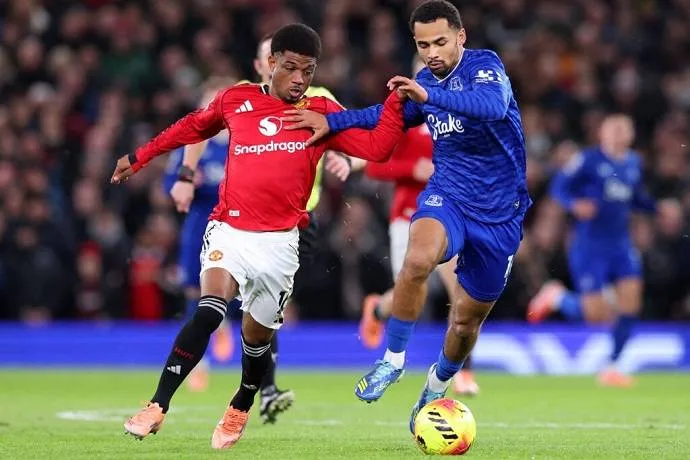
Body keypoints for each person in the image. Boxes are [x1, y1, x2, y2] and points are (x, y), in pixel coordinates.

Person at [112, 23, 406, 449]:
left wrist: (395, 105)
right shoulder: (237, 99)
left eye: (308, 70)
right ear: (271, 63)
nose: (299, 78)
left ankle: (243, 401)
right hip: (229, 229)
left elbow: (378, 149)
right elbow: (192, 128)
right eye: (291, 67)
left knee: (256, 339)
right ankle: (157, 405)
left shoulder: (319, 110)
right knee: (209, 310)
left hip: (280, 243)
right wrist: (140, 156)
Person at [285, 0, 528, 433]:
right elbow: (383, 117)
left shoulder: (484, 67)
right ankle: (392, 360)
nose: (432, 52)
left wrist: (429, 95)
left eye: (440, 42)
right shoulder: (423, 84)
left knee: (466, 322)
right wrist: (333, 122)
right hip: (449, 197)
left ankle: (436, 387)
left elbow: (491, 106)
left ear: (461, 37)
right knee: (417, 261)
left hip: (500, 214)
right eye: (423, 45)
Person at [165, 34, 356, 422]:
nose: (293, 72)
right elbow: (200, 125)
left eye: (300, 66)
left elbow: (352, 134)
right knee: (223, 299)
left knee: (266, 309)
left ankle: (254, 384)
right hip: (241, 221)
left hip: (298, 225)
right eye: (277, 60)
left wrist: (345, 159)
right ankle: (259, 387)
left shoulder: (318, 96)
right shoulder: (240, 97)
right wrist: (185, 173)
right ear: (261, 65)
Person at [360, 56, 479, 396]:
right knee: (409, 291)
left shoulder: (459, 111)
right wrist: (412, 169)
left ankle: (463, 371)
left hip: (451, 215)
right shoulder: (406, 114)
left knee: (462, 291)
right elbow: (374, 165)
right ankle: (378, 310)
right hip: (409, 216)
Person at [528, 114, 662, 387]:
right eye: (613, 129)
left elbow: (635, 198)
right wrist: (574, 204)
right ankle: (557, 298)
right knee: (596, 316)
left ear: (631, 134)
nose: (619, 134)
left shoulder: (633, 163)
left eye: (624, 129)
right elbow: (559, 187)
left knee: (631, 303)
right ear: (602, 133)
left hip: (621, 244)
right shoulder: (587, 160)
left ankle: (612, 366)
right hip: (590, 246)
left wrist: (657, 209)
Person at [163, 77, 237, 394]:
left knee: (231, 286)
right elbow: (170, 184)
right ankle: (199, 362)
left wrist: (208, 184)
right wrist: (187, 184)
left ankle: (223, 323)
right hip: (198, 224)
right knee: (194, 291)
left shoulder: (243, 141)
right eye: (209, 103)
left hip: (235, 225)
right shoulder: (192, 144)